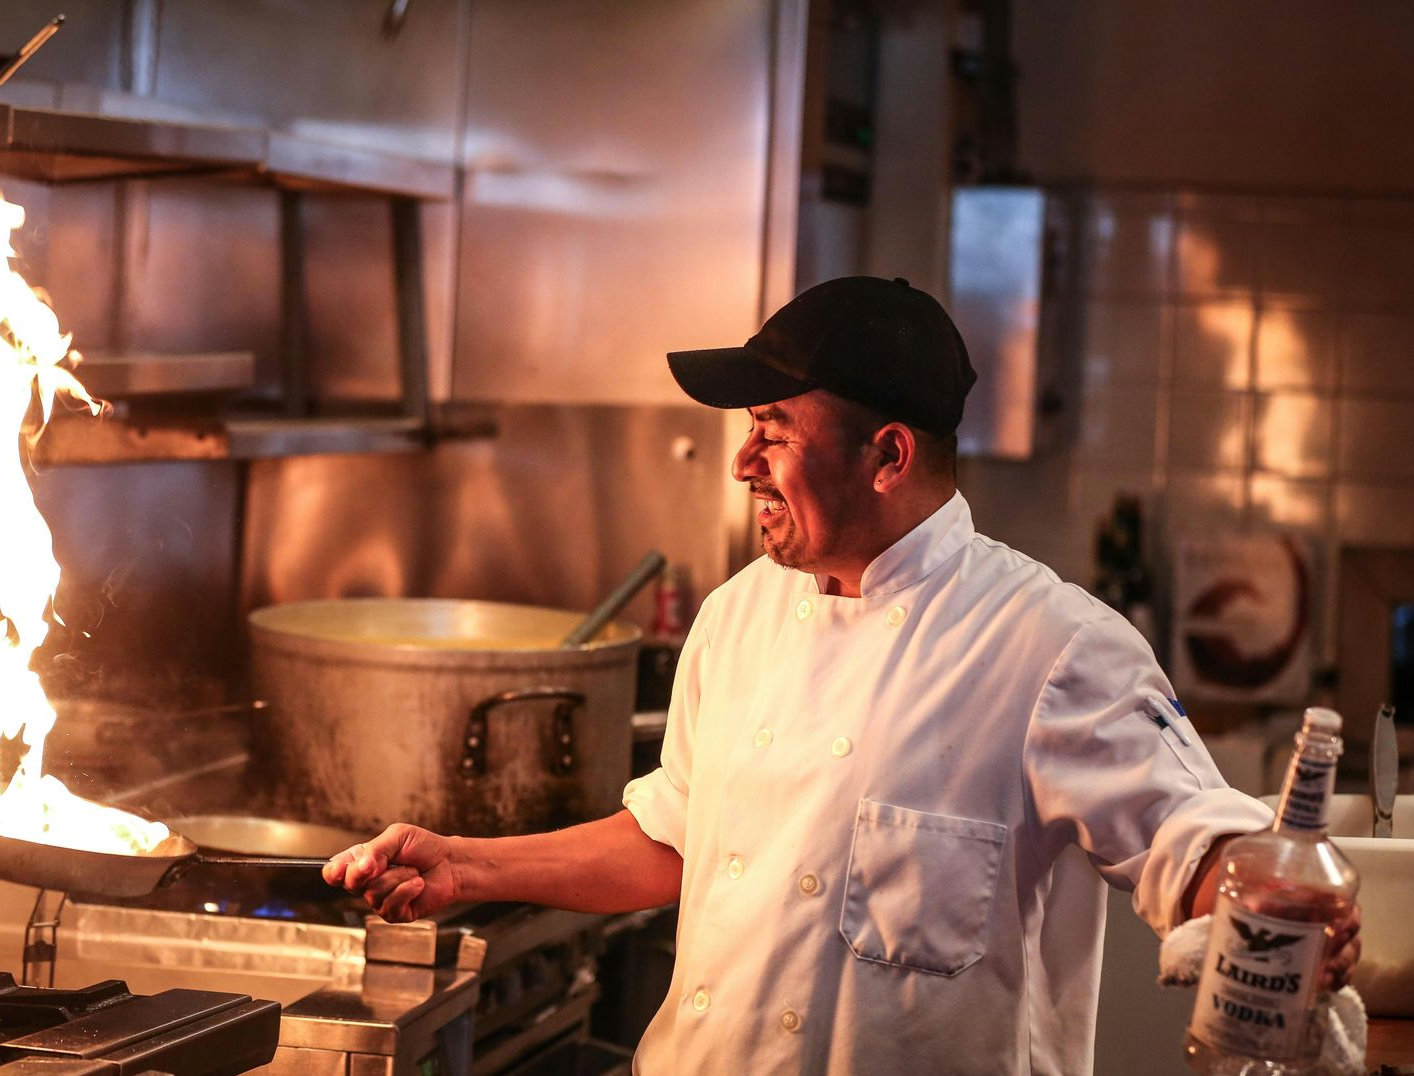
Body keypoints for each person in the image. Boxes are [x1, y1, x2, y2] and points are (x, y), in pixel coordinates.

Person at [321, 276, 1360, 1075]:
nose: (742, 464)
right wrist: (468, 864)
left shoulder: (1047, 645)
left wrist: (1262, 882)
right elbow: (677, 840)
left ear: (888, 455)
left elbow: (1198, 836)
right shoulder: (737, 618)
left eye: (773, 432)